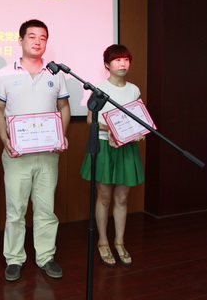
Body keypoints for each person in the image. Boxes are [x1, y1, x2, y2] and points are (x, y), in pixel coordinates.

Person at [0, 19, 70, 282]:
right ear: (21, 40)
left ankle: (45, 256)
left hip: (48, 154)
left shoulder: (56, 74)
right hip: (17, 154)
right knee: (15, 209)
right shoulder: (5, 73)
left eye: (43, 37)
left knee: (46, 209)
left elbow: (64, 107)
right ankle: (14, 258)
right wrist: (5, 140)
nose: (37, 41)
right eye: (32, 36)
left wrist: (61, 135)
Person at [80, 44, 145, 267]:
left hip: (126, 146)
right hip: (104, 146)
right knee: (104, 197)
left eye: (126, 59)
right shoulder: (99, 88)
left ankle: (119, 242)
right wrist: (112, 129)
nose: (122, 63)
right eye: (117, 60)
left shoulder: (134, 90)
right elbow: (91, 120)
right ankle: (103, 241)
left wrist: (138, 131)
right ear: (107, 64)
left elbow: (137, 118)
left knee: (122, 198)